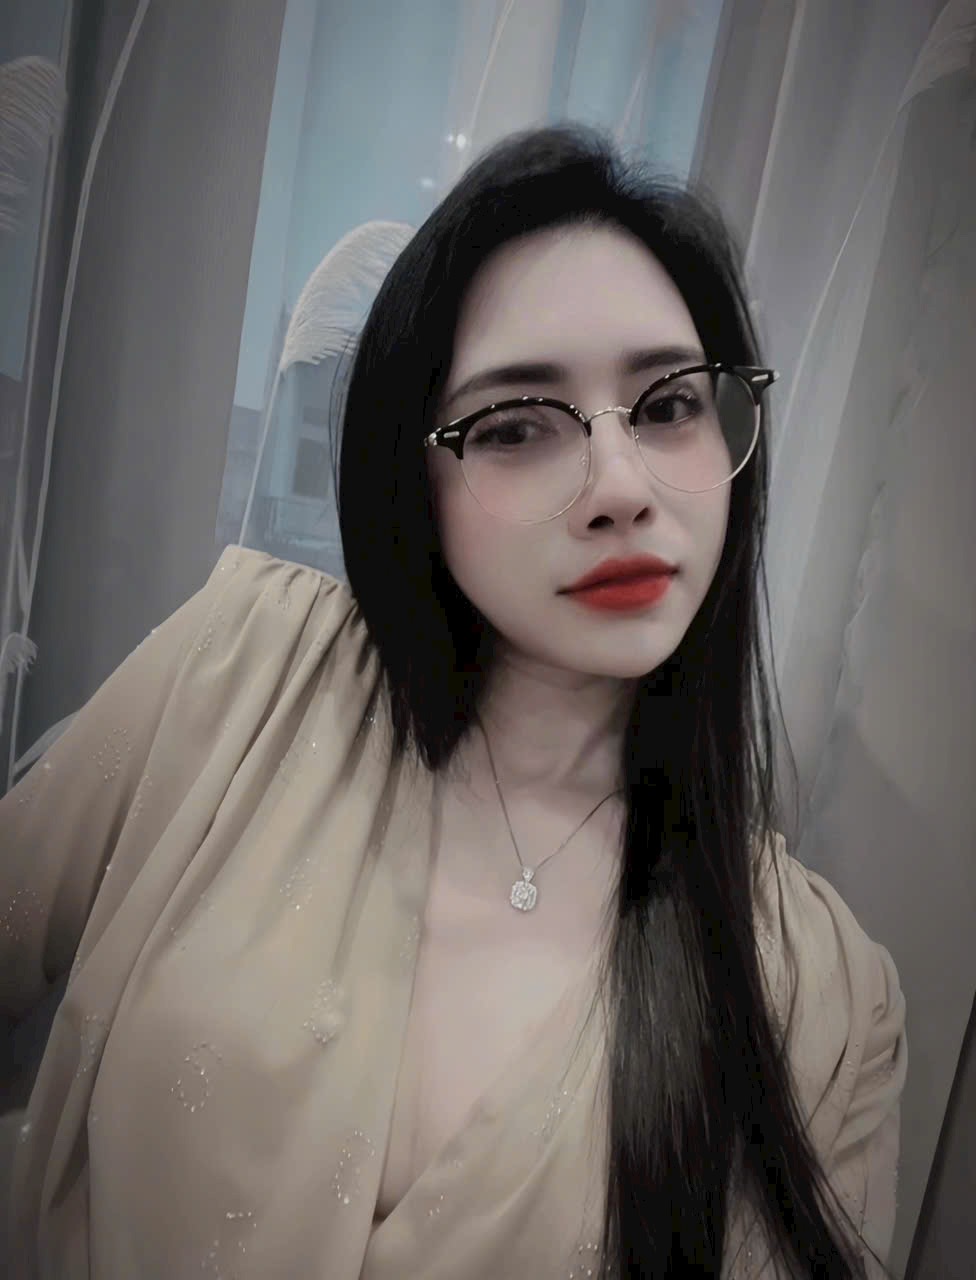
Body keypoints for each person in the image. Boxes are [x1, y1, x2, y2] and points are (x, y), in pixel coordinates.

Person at [0, 123, 906, 1279]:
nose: (619, 487)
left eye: (669, 403)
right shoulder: (238, 675)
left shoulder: (820, 993)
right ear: (413, 477)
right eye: (517, 425)